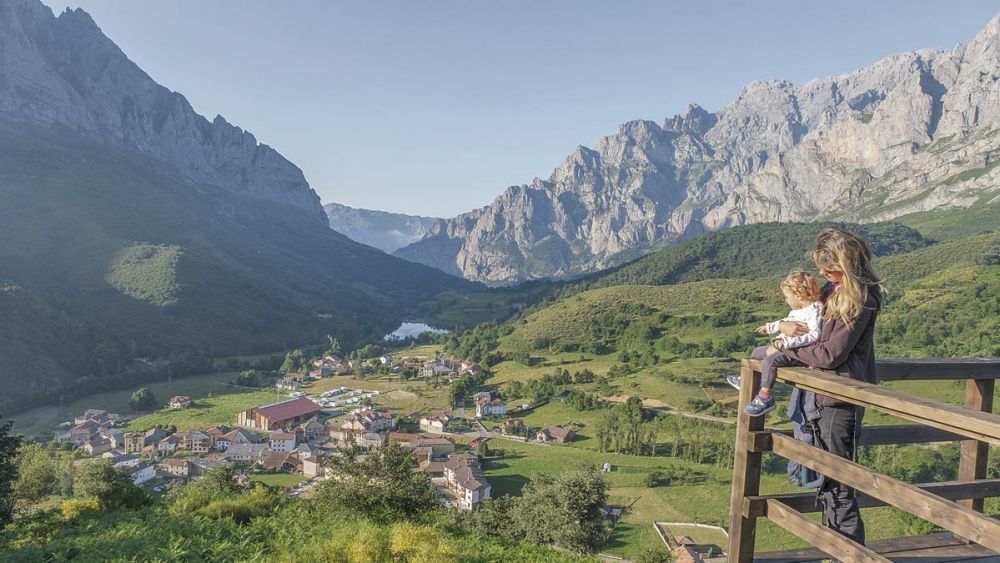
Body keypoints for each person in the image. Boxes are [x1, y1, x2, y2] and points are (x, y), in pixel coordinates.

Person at [779, 228, 885, 544]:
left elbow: (829, 354)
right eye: (822, 267)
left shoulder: (860, 298)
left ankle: (850, 553)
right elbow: (810, 327)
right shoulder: (832, 290)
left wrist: (785, 346)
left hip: (838, 400)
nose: (824, 273)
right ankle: (836, 550)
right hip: (823, 397)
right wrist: (787, 326)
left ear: (848, 263)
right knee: (827, 484)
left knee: (838, 486)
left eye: (830, 267)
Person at [726, 271, 822, 416]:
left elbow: (814, 335)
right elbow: (784, 323)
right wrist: (769, 327)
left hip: (796, 353)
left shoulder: (814, 312)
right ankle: (748, 380)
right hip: (783, 346)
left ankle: (765, 397)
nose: (786, 300)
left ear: (798, 295)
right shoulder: (798, 311)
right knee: (757, 353)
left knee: (770, 361)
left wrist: (787, 343)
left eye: (787, 297)